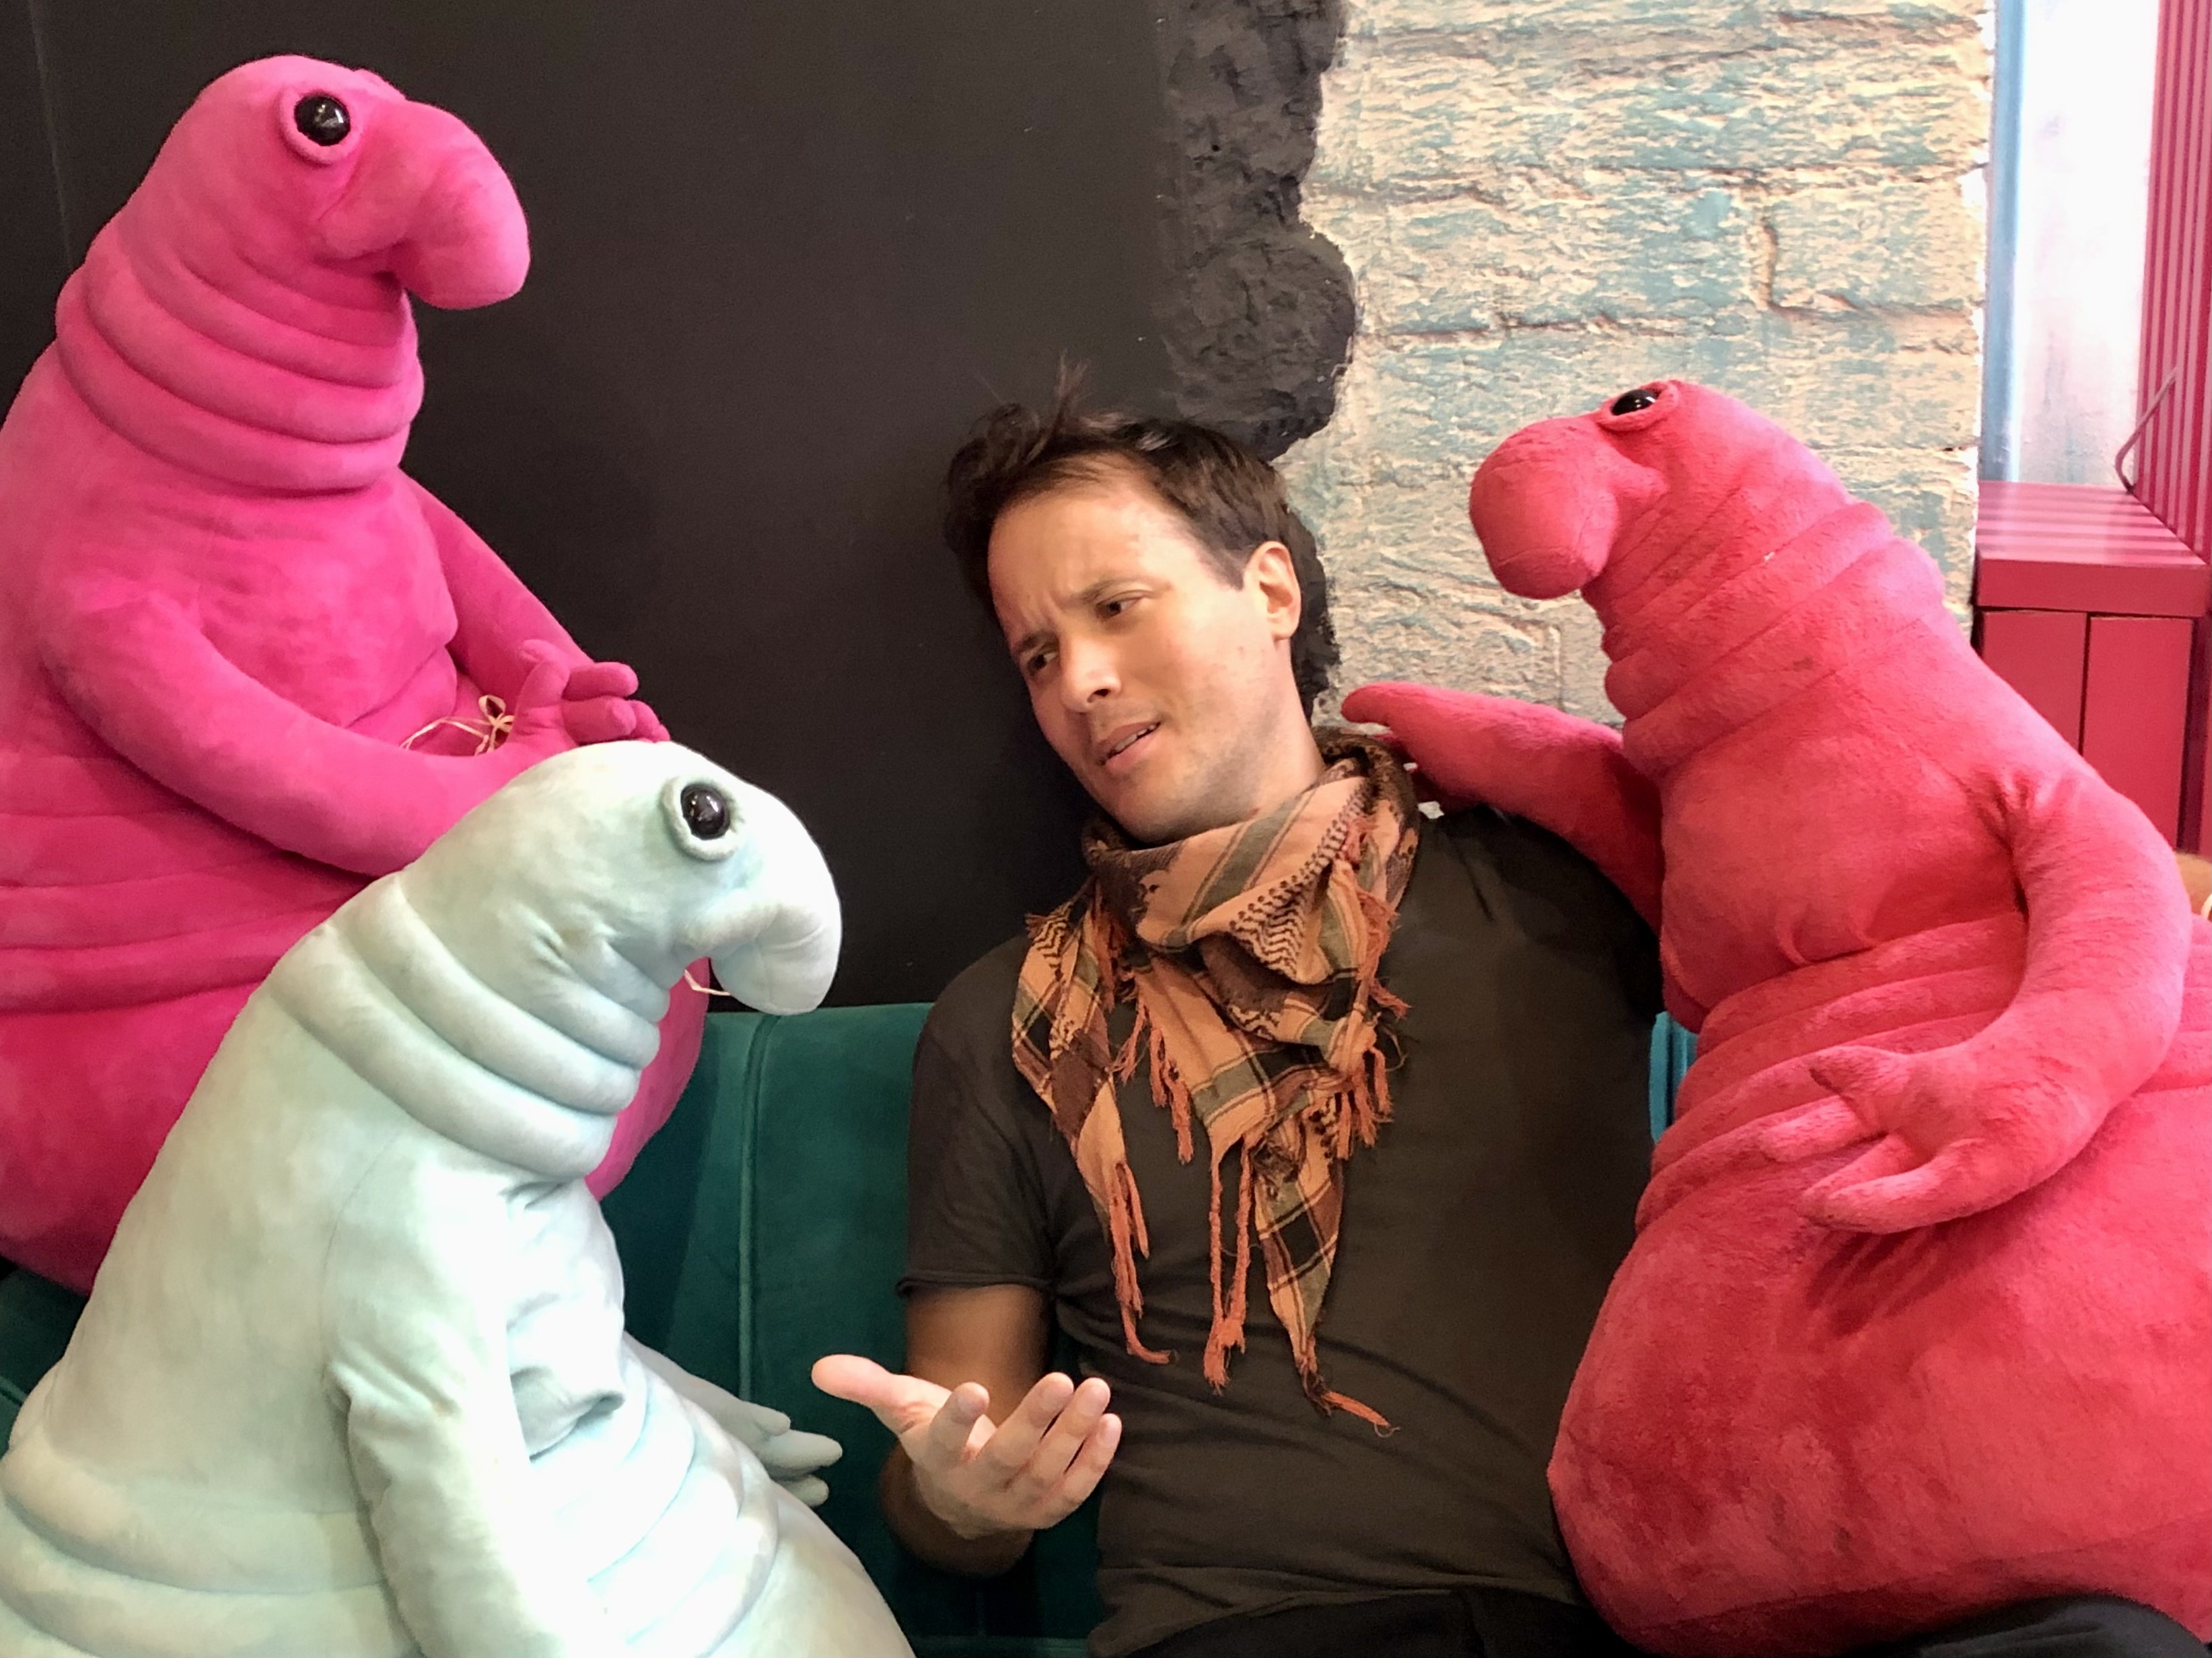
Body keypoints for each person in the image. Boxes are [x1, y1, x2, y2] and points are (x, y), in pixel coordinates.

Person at [812, 386, 2207, 1658]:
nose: (1080, 681)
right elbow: (950, 1490)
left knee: (2113, 1649)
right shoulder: (1010, 1018)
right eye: (1038, 652)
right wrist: (967, 1494)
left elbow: (1958, 881)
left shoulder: (1546, 875)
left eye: (1117, 606)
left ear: (1271, 587)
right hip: (1254, 1631)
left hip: (1635, 1617)